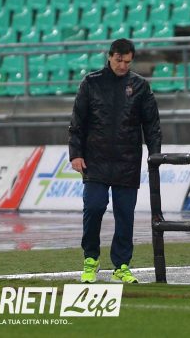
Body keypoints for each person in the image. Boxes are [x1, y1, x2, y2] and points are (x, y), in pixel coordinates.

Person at [69, 39, 162, 284]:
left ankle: (121, 265)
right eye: (119, 60)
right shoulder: (91, 82)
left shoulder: (140, 86)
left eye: (127, 62)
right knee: (93, 208)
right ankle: (91, 259)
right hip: (95, 160)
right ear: (109, 56)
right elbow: (78, 122)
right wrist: (75, 153)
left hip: (127, 161)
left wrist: (155, 154)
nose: (122, 65)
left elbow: (152, 124)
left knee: (125, 215)